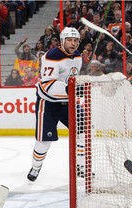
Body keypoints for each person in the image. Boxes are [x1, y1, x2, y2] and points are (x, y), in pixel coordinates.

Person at [27, 27, 82, 182]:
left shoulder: (78, 56)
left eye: (76, 40)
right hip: (48, 102)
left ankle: (82, 166)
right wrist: (71, 90)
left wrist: (77, 88)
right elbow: (48, 85)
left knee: (83, 130)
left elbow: (73, 79)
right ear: (62, 41)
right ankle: (36, 166)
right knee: (44, 140)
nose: (73, 43)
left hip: (67, 101)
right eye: (70, 40)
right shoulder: (52, 56)